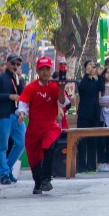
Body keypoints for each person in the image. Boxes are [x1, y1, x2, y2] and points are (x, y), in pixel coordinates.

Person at [16, 57, 70, 195]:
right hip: (33, 130)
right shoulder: (31, 87)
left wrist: (62, 89)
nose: (45, 72)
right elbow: (23, 102)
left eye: (47, 69)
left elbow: (63, 103)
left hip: (50, 127)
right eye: (42, 69)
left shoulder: (55, 86)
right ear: (37, 71)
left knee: (48, 147)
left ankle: (47, 179)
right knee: (34, 159)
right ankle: (38, 183)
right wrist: (21, 113)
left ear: (51, 70)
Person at [0, 54, 26, 185]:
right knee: (2, 145)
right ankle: (4, 173)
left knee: (22, 143)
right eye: (13, 63)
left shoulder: (19, 79)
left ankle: (8, 167)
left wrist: (22, 112)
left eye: (18, 64)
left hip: (16, 115)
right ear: (7, 64)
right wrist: (9, 96)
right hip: (3, 115)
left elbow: (23, 97)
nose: (15, 66)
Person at [74, 59, 103, 174]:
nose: (92, 67)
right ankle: (82, 166)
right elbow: (82, 88)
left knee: (93, 140)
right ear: (85, 67)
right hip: (84, 114)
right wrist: (86, 74)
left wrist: (99, 76)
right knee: (82, 140)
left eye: (93, 66)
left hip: (94, 114)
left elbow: (102, 88)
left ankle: (91, 166)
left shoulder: (95, 81)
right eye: (90, 65)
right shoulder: (82, 81)